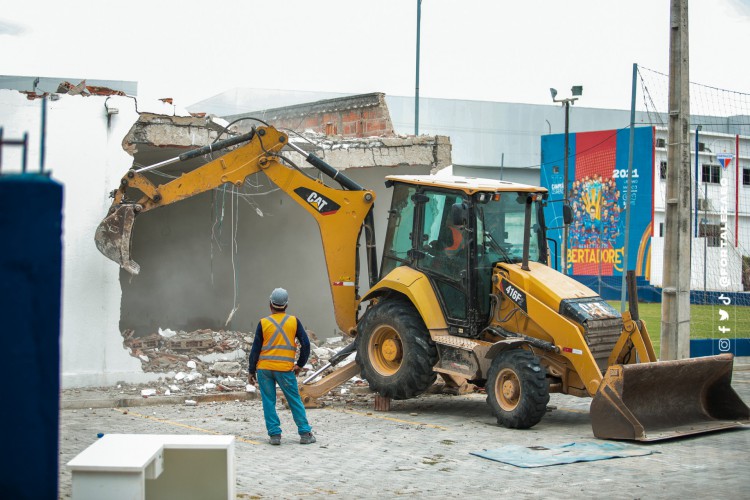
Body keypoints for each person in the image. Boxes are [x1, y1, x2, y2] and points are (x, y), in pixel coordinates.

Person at [248, 287, 315, 445]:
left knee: (268, 401)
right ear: (286, 305)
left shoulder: (263, 323)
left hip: (264, 370)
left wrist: (251, 371)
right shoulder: (293, 321)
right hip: (285, 370)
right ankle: (305, 433)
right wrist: (299, 365)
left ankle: (274, 436)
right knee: (294, 400)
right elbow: (306, 344)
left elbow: (255, 349)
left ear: (270, 304)